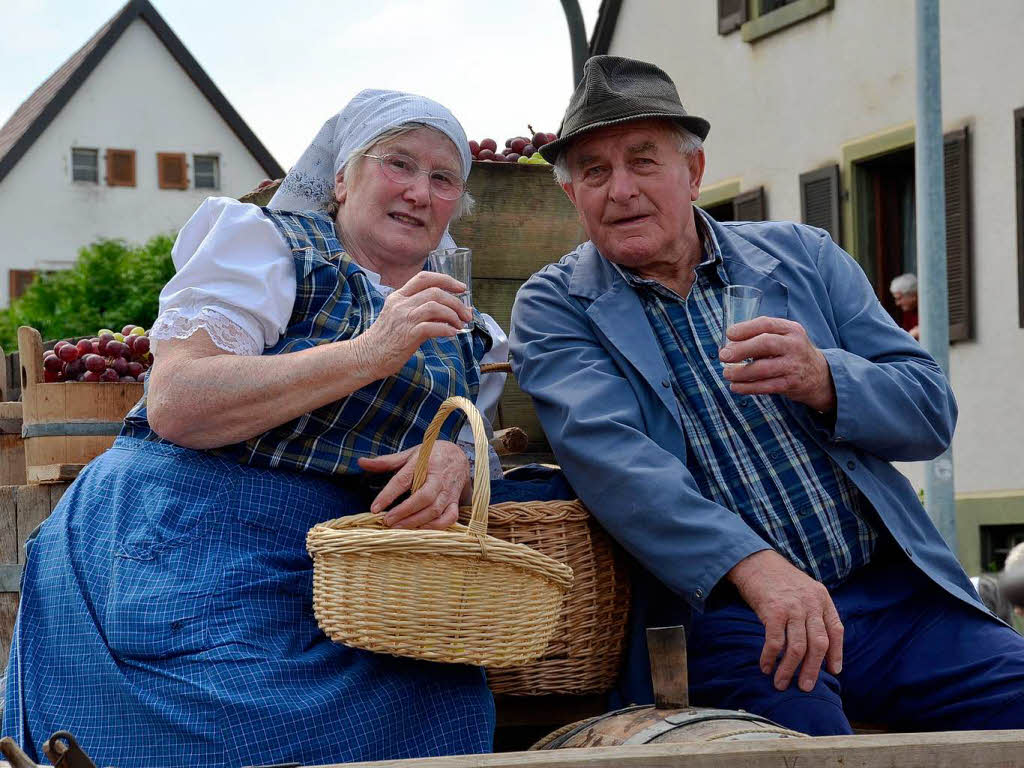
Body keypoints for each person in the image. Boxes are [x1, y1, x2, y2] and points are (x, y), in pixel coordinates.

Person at [510, 55, 1024, 736]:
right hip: (730, 618)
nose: (620, 189)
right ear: (573, 194)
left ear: (693, 172)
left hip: (895, 599)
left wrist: (827, 379)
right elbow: (616, 462)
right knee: (799, 750)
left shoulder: (803, 255)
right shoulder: (556, 305)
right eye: (595, 172)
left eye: (643, 161)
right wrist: (755, 569)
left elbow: (930, 413)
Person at [3, 90, 511, 767]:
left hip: (337, 579)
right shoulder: (268, 248)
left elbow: (478, 441)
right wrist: (370, 351)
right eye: (399, 164)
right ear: (341, 178)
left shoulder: (472, 330)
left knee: (448, 703)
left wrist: (455, 461)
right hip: (179, 531)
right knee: (212, 735)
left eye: (443, 178)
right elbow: (178, 404)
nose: (420, 191)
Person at [890, 272, 920, 339]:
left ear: (913, 295)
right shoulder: (908, 311)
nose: (897, 303)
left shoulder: (927, 310)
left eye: (899, 298)